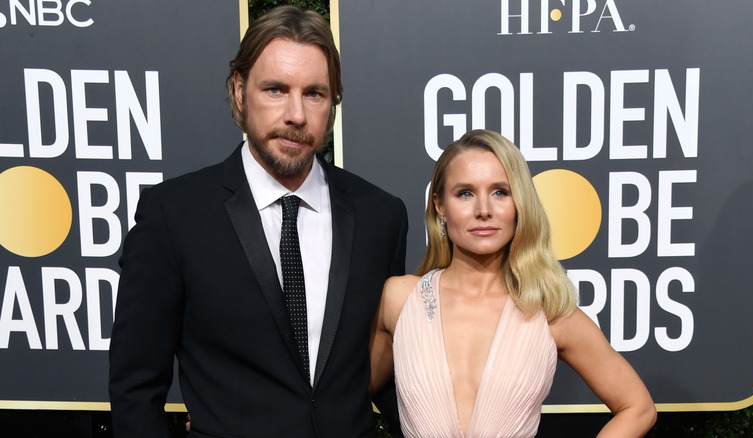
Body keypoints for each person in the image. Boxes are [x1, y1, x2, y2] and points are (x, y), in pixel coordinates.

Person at [109, 6, 408, 437]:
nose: (296, 115)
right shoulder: (174, 215)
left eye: (314, 94)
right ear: (239, 91)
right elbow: (135, 389)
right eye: (275, 90)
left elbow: (390, 373)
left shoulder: (381, 216)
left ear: (333, 103)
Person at [370, 129, 656, 437]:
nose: (483, 210)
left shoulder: (548, 313)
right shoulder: (399, 300)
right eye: (465, 193)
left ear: (520, 203)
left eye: (500, 192)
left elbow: (638, 408)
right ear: (439, 206)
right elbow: (346, 398)